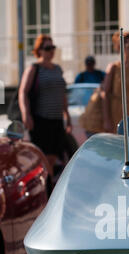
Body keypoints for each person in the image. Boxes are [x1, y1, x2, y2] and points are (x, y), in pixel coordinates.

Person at [18, 34, 72, 180]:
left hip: (56, 119)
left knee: (53, 158)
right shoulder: (34, 68)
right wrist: (26, 114)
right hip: (41, 119)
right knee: (43, 157)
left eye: (52, 47)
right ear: (39, 50)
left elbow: (62, 94)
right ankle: (44, 186)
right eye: (47, 48)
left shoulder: (57, 69)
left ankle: (48, 186)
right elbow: (23, 92)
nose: (51, 51)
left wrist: (67, 114)